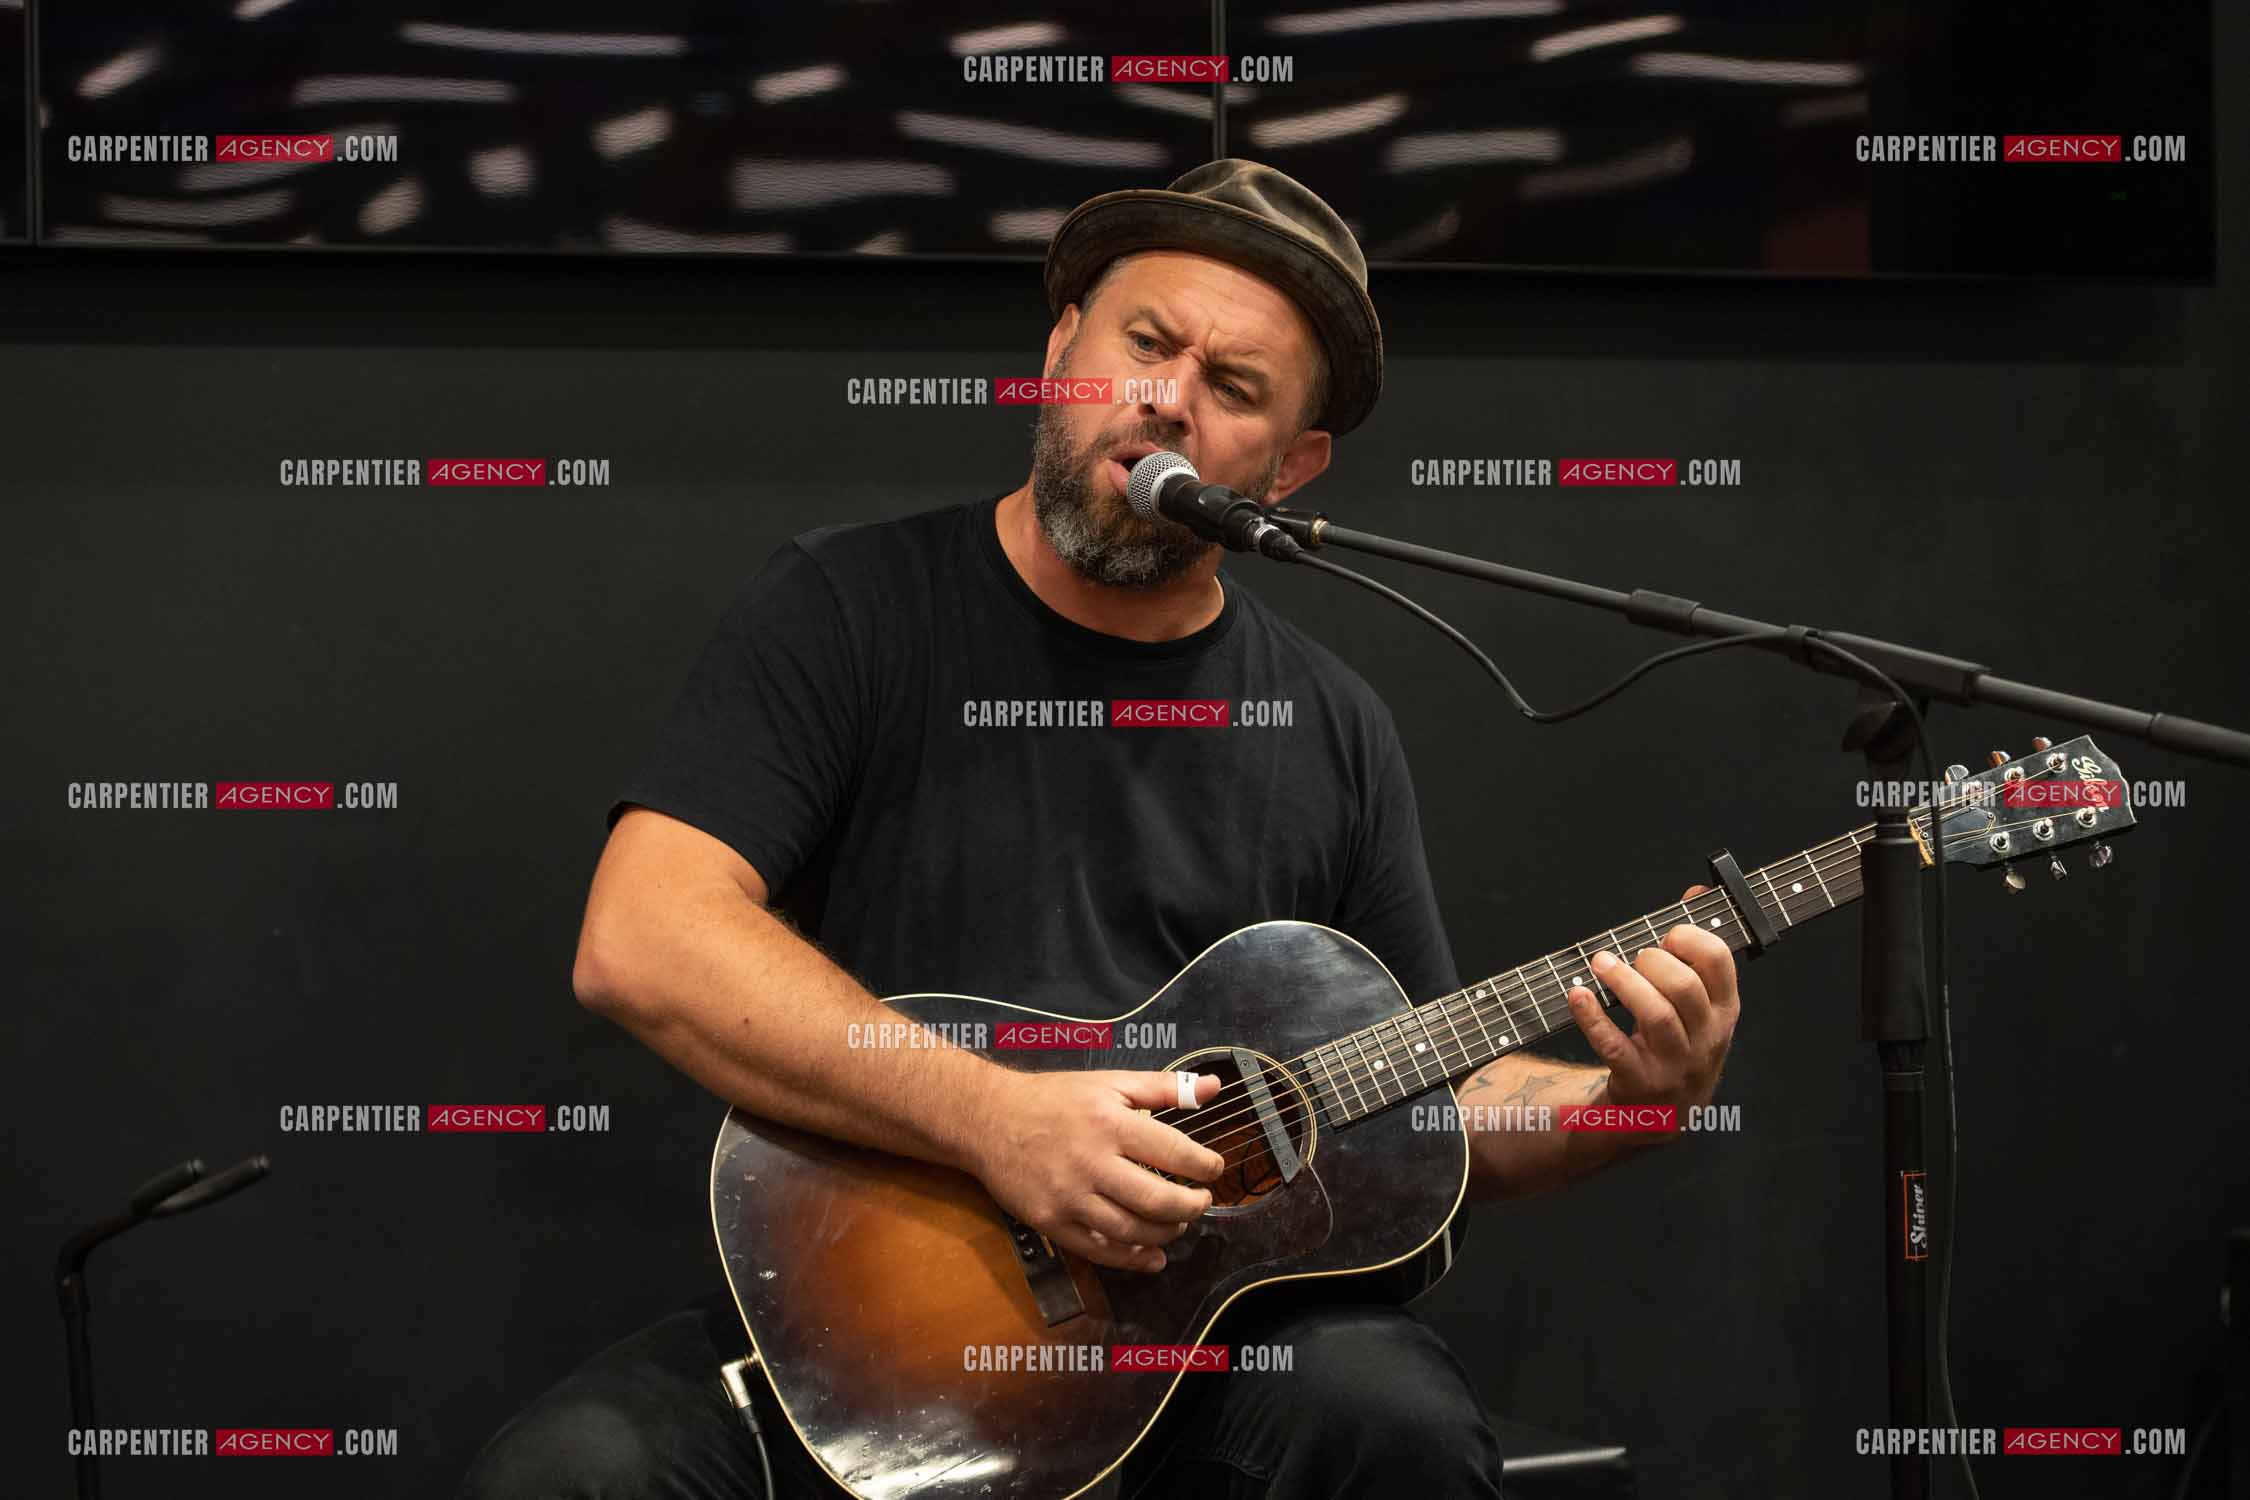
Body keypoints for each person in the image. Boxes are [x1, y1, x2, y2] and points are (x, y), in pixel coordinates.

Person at [459, 159, 1742, 1500]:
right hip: (874, 1326)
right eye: (1142, 341)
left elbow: (1426, 1095)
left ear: (1291, 468)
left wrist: (1625, 1107)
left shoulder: (1330, 722)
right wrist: (998, 1119)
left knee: (1389, 1424)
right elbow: (644, 937)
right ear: (1061, 343)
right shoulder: (844, 608)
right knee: (568, 1479)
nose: (1166, 395)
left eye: (1233, 387)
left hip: (1201, 1353)